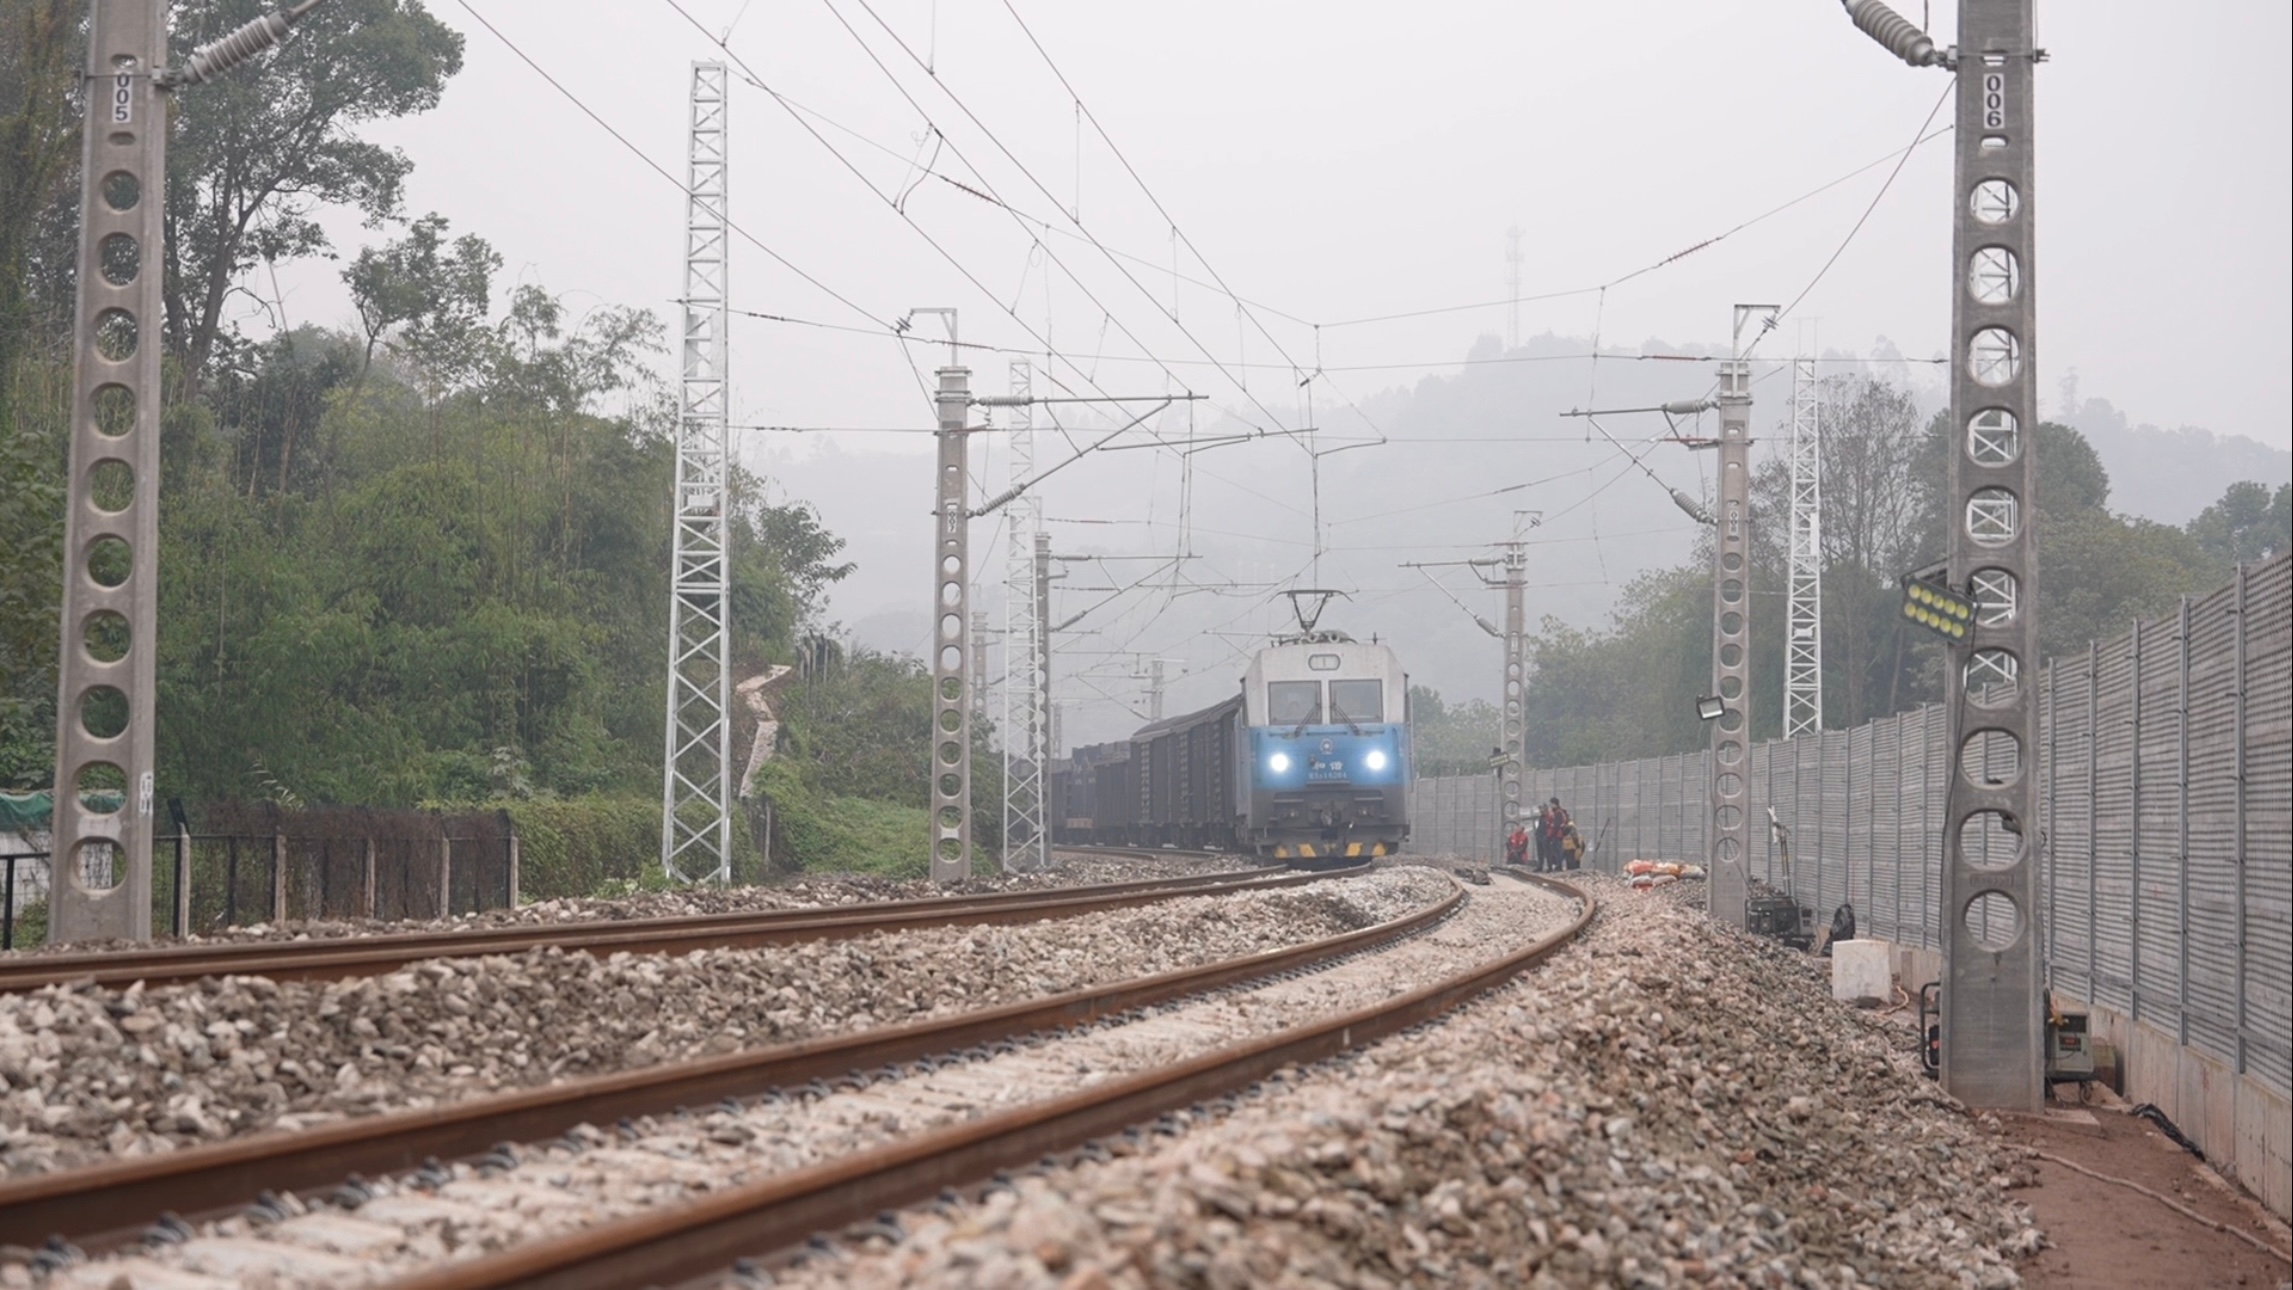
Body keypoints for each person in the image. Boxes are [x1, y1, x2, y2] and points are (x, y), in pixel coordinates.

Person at [1541, 798, 1571, 872]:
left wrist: (1550, 836)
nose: (1551, 806)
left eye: (1551, 804)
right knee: (1558, 851)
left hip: (1557, 835)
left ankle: (1558, 866)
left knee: (1557, 851)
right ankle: (1558, 865)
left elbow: (1556, 826)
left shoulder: (1557, 813)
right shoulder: (1560, 812)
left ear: (1555, 804)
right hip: (1558, 835)